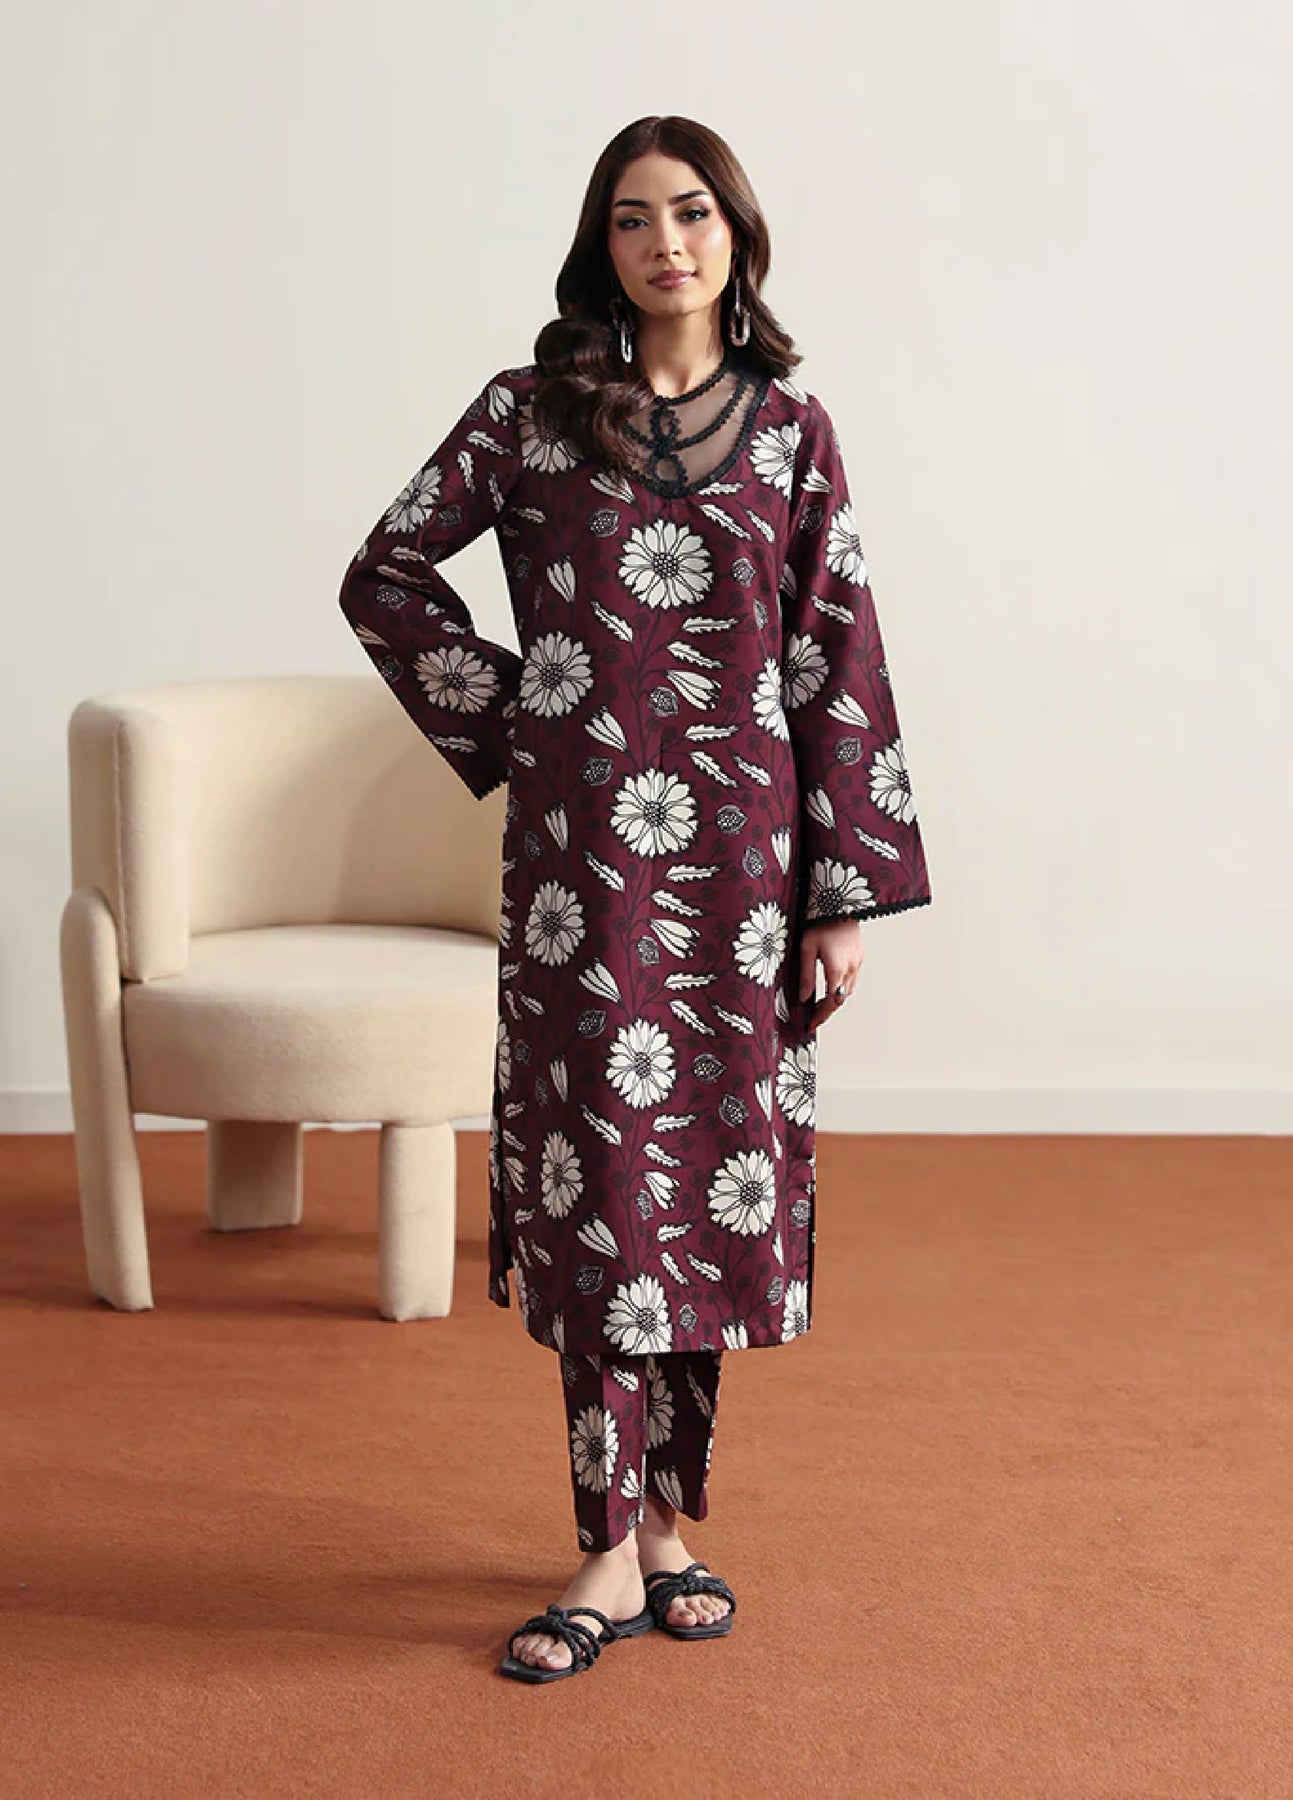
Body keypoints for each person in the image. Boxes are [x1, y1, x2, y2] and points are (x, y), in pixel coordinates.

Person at [337, 114, 932, 1684]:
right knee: (606, 1187)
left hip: (744, 873)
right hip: (580, 879)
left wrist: (840, 892)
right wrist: (526, 719)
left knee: (708, 1186)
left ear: (736, 234)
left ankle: (670, 1523)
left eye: (691, 213)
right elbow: (385, 576)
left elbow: (835, 655)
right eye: (631, 218)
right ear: (598, 246)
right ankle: (604, 1544)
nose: (665, 242)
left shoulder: (792, 431)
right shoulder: (526, 416)